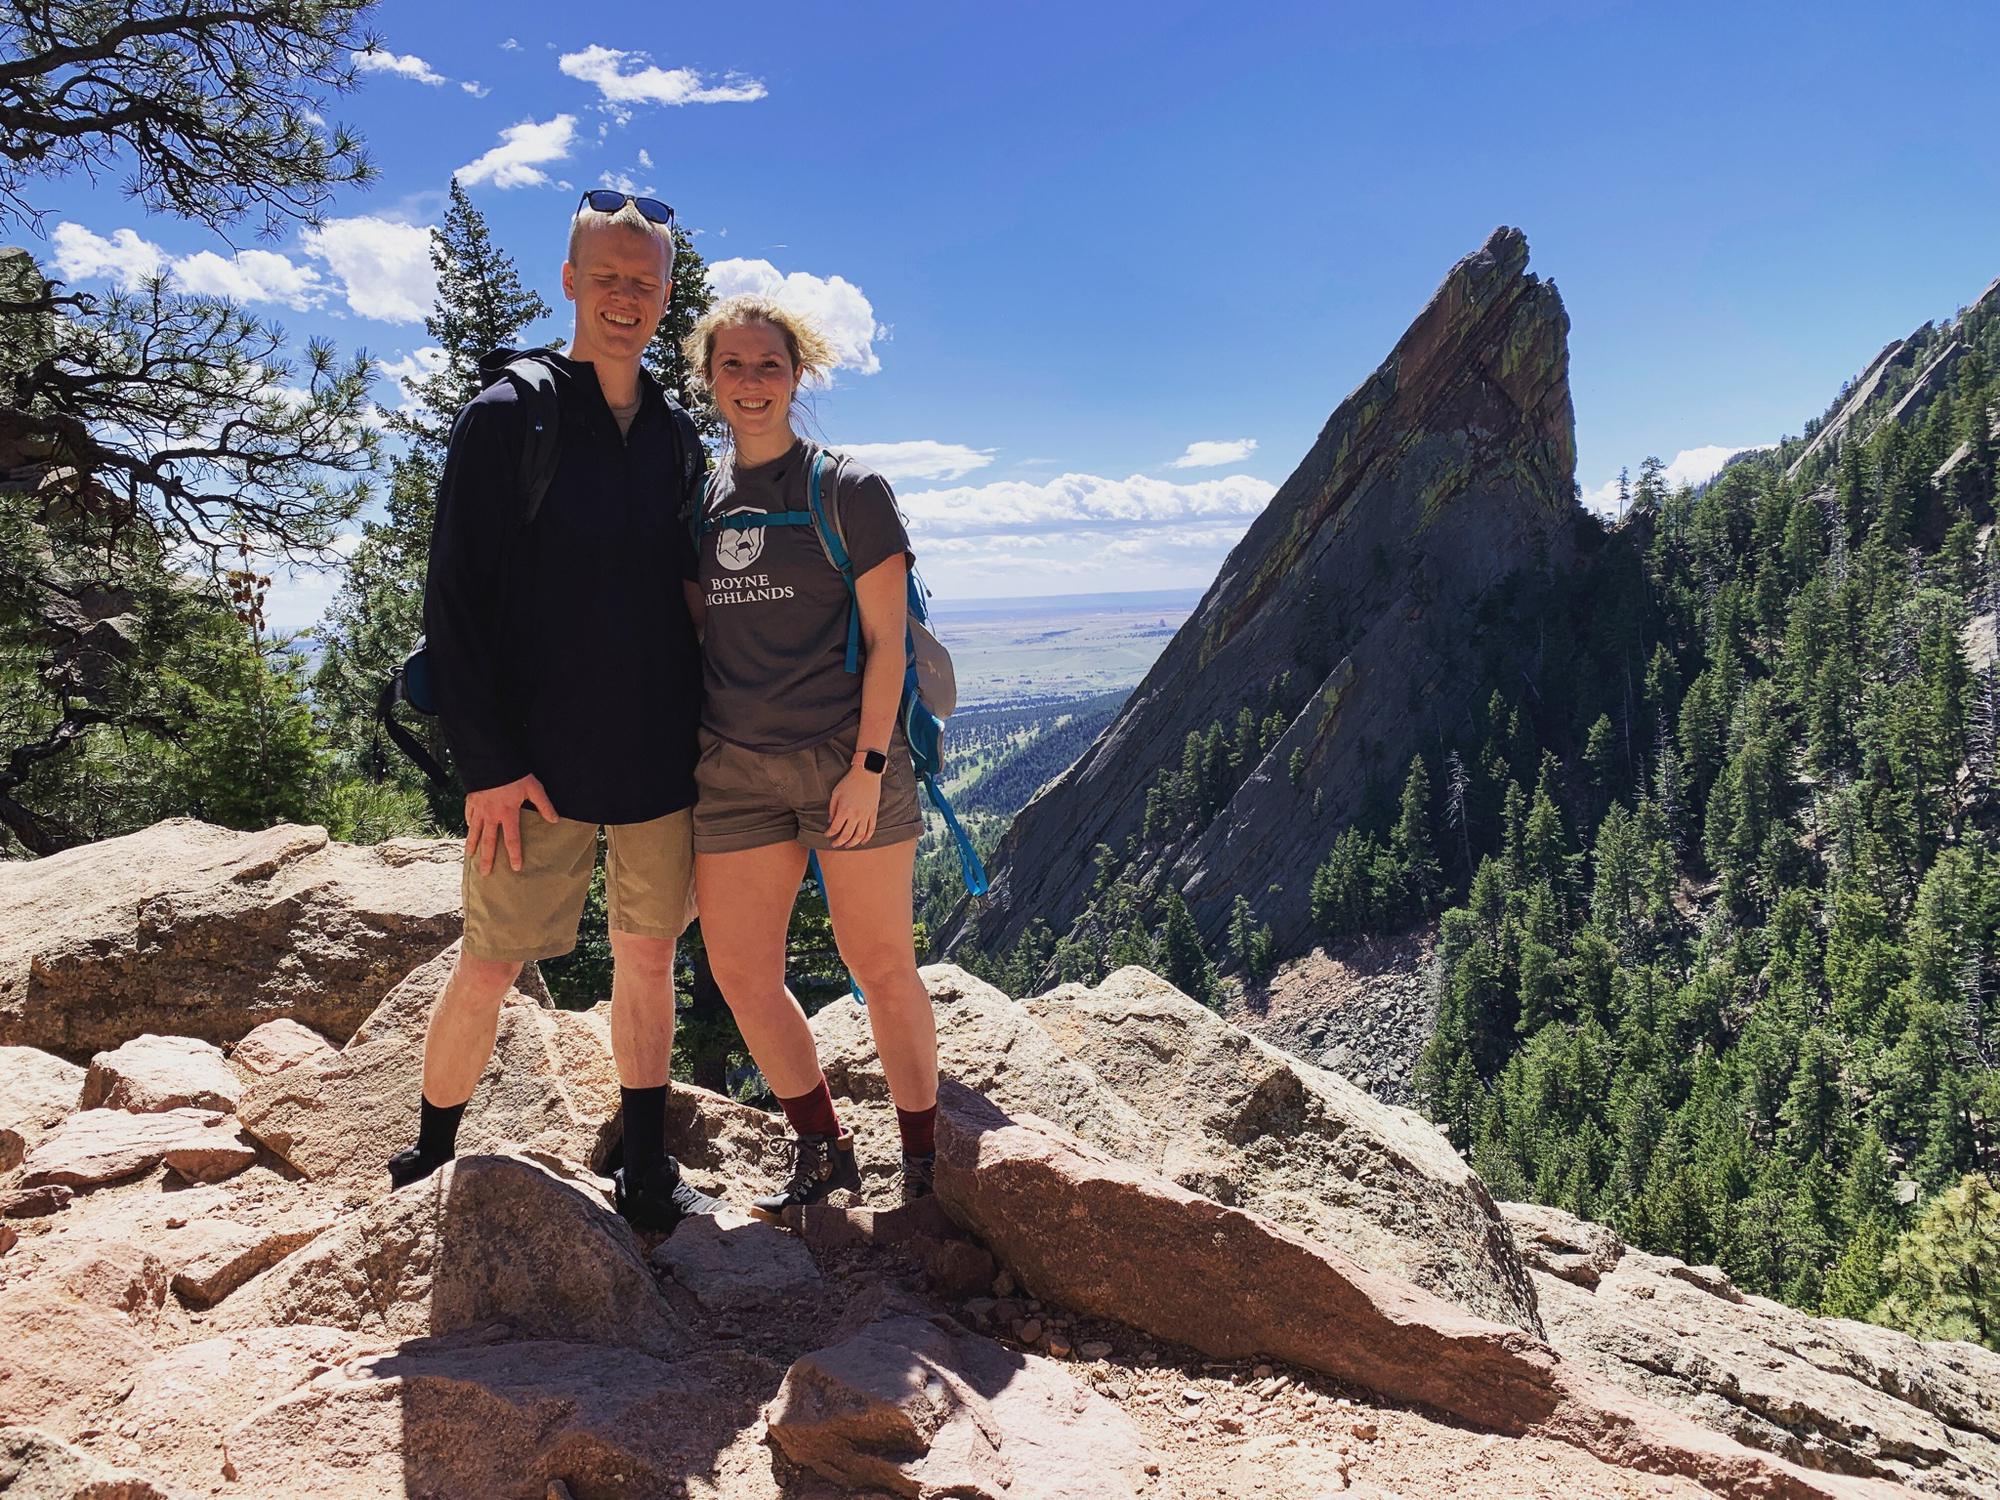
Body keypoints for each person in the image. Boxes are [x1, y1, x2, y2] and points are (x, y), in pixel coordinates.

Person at [386, 190, 721, 1235]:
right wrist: (485, 761)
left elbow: (688, 599)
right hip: (530, 762)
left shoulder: (670, 435)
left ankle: (646, 1168)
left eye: (645, 282)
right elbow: (456, 602)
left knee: (647, 957)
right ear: (570, 281)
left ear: (664, 297)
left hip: (656, 752)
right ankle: (430, 1151)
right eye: (609, 277)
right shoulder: (508, 416)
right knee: (490, 960)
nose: (627, 298)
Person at [680, 294, 940, 1212]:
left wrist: (869, 769)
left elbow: (887, 646)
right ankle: (822, 1146)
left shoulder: (850, 491)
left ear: (799, 376)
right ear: (708, 377)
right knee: (742, 973)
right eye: (733, 366)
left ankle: (922, 1158)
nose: (751, 384)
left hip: (844, 759)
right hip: (736, 769)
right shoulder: (703, 500)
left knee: (880, 968)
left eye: (770, 366)